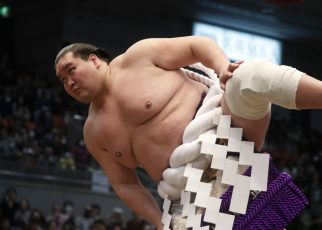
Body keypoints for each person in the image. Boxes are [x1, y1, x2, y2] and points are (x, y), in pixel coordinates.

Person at [54, 36, 322, 229]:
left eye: (71, 71)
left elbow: (197, 46)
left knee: (248, 75)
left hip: (228, 133)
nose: (69, 83)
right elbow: (126, 184)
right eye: (63, 80)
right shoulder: (93, 132)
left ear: (94, 60)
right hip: (190, 197)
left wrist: (222, 68)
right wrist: (159, 222)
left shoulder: (139, 57)